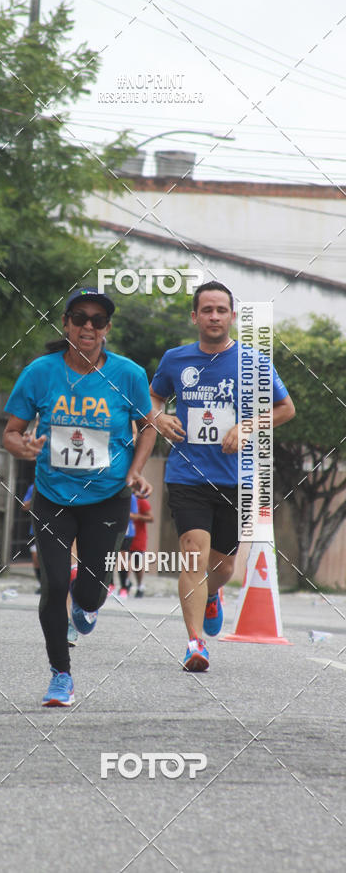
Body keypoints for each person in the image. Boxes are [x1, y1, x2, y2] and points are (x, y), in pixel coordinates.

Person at [3, 286, 155, 707]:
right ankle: (60, 675)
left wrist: (136, 471)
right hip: (53, 494)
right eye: (80, 318)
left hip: (108, 497)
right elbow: (11, 433)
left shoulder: (128, 374)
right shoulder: (40, 371)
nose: (88, 326)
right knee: (53, 584)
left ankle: (86, 607)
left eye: (98, 320)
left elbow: (148, 425)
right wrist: (23, 447)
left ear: (107, 328)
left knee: (90, 590)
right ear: (66, 324)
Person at [149, 281, 295, 672]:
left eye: (221, 310)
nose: (214, 316)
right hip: (187, 475)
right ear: (195, 316)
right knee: (193, 554)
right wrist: (159, 417)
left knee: (225, 567)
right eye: (207, 309)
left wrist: (248, 426)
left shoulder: (254, 361)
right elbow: (154, 397)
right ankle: (195, 643)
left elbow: (285, 408)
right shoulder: (175, 360)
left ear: (231, 316)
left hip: (236, 478)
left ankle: (212, 596)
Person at [130, 489, 153, 598]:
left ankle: (139, 586)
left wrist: (137, 517)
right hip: (124, 534)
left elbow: (151, 518)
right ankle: (125, 584)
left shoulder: (141, 500)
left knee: (136, 564)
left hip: (138, 537)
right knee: (122, 560)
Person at [22, 481, 41, 593]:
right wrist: (35, 498)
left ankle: (48, 585)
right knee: (35, 558)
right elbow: (24, 506)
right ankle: (41, 583)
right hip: (34, 530)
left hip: (51, 529)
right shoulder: (33, 487)